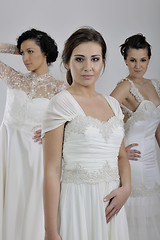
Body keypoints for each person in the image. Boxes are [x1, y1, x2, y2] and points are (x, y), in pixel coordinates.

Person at [42, 27, 131, 240]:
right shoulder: (60, 104)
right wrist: (50, 231)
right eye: (80, 59)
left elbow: (122, 156)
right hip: (78, 203)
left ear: (103, 63)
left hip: (112, 205)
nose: (88, 67)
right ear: (67, 62)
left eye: (95, 59)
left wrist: (126, 188)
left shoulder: (112, 104)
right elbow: (51, 170)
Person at [0, 28, 67, 240]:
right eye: (22, 53)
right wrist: (15, 48)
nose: (25, 58)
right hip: (8, 154)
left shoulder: (59, 88)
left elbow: (73, 126)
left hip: (37, 158)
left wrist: (55, 134)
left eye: (30, 52)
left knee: (34, 213)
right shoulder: (14, 78)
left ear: (45, 52)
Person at [110, 33, 160, 240]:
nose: (138, 66)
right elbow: (101, 116)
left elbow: (157, 128)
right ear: (125, 61)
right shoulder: (125, 86)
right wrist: (119, 151)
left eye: (143, 60)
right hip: (135, 161)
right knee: (136, 210)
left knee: (152, 209)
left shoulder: (155, 84)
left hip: (152, 160)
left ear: (149, 59)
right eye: (132, 60)